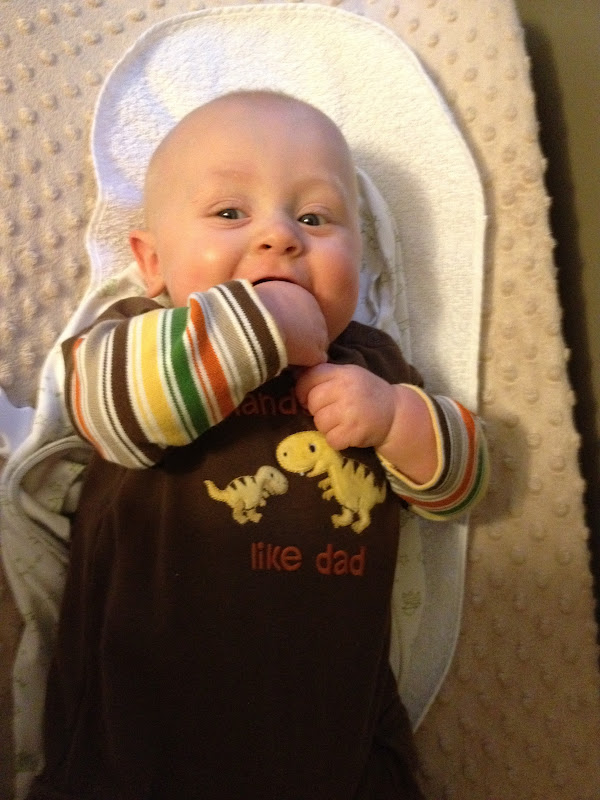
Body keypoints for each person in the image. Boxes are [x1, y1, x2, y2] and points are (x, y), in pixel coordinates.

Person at [27, 90, 487, 799]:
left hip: (335, 748)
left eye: (315, 218)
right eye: (229, 214)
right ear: (152, 261)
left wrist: (397, 418)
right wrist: (262, 322)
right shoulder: (137, 339)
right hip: (136, 745)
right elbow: (104, 411)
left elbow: (464, 486)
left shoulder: (369, 365)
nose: (280, 237)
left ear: (361, 258)